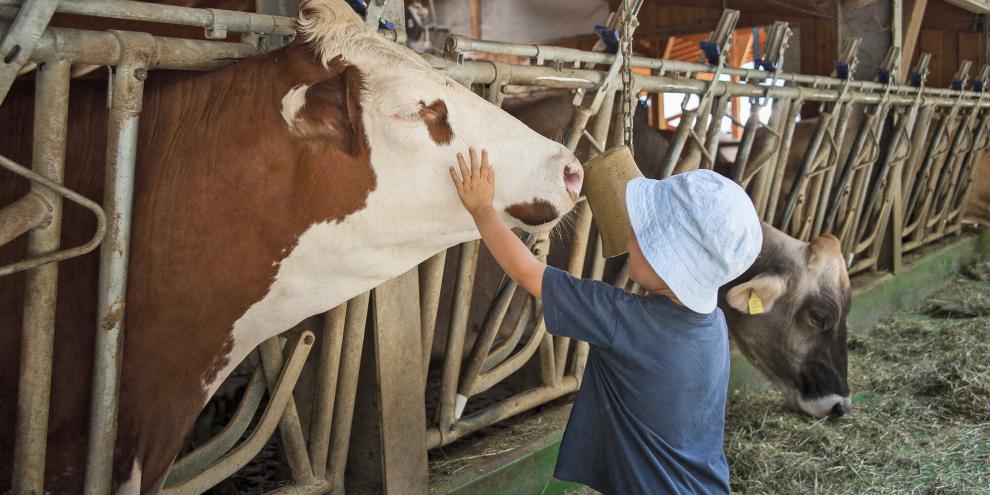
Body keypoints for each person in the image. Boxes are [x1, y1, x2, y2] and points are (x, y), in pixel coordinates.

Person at [448, 148, 763, 494]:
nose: (631, 234)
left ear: (668, 262)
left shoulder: (622, 319)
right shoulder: (714, 324)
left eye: (644, 234)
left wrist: (481, 209)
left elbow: (528, 272)